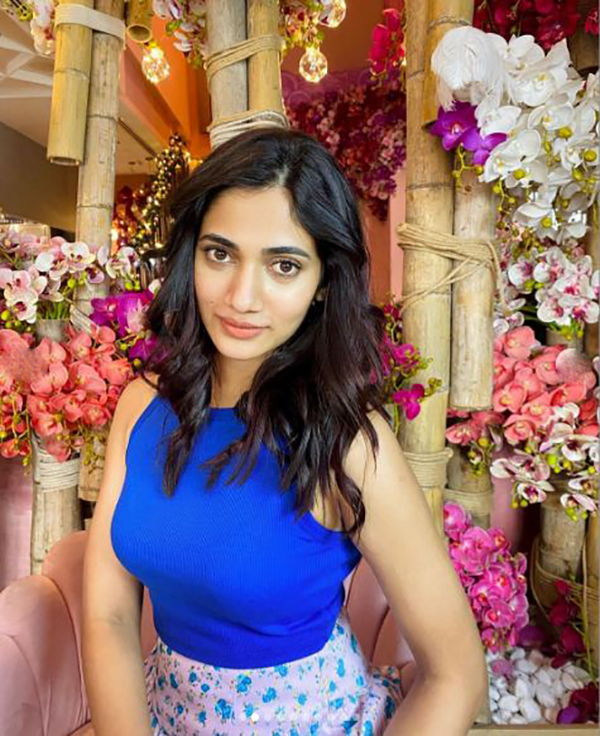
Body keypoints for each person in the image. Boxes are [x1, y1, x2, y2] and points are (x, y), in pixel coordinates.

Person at [82, 126, 488, 736]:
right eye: (220, 254)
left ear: (323, 283)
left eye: (284, 265)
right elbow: (108, 615)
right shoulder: (141, 407)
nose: (242, 297)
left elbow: (457, 674)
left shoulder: (348, 443)